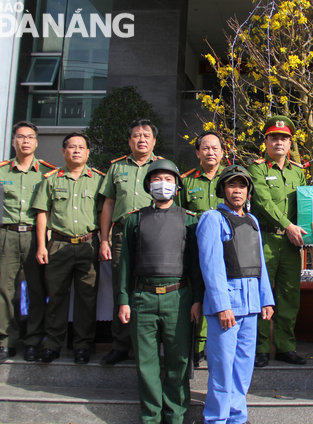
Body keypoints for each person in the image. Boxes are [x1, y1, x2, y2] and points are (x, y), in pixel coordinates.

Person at [117, 159, 204, 424]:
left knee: (178, 363)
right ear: (148, 185)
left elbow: (195, 266)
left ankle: (175, 416)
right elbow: (125, 264)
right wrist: (123, 300)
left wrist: (198, 300)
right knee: (146, 365)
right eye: (157, 179)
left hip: (178, 298)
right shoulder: (134, 220)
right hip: (142, 298)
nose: (162, 184)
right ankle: (151, 417)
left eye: (168, 180)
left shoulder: (190, 221)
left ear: (177, 187)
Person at [197, 165, 275, 424]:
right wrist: (222, 306)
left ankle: (237, 417)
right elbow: (211, 266)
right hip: (227, 307)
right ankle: (216, 419)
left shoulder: (252, 221)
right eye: (232, 185)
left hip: (251, 305)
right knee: (221, 368)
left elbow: (259, 262)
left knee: (243, 366)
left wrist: (266, 299)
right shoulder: (212, 219)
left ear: (248, 191)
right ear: (223, 190)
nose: (237, 190)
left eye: (242, 186)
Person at [32, 133, 104, 364]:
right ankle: (52, 344)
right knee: (56, 297)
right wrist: (42, 246)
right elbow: (42, 213)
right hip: (58, 244)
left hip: (88, 245)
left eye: (81, 147)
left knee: (87, 297)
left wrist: (104, 241)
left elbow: (105, 212)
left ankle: (83, 345)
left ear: (88, 152)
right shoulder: (51, 179)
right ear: (64, 151)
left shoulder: (98, 180)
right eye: (71, 147)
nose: (76, 151)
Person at [0, 121, 56, 362]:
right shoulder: (0, 172)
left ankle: (33, 340)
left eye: (29, 137)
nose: (25, 141)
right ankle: (5, 341)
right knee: (4, 290)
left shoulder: (47, 173)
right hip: (6, 234)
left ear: (36, 142)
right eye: (20, 137)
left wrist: (45, 242)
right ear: (13, 141)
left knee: (37, 290)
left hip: (35, 236)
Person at [98, 118, 164, 366]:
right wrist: (104, 240)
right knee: (122, 287)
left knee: (148, 288)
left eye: (147, 135)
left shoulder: (162, 167)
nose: (142, 139)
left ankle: (145, 345)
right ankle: (120, 344)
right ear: (129, 140)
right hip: (121, 234)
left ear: (154, 141)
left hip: (152, 235)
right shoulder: (116, 168)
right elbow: (108, 205)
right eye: (136, 135)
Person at [248, 115, 307, 367]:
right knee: (262, 294)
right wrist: (288, 225)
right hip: (265, 239)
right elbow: (262, 201)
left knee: (289, 295)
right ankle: (260, 347)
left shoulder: (298, 171)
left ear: (290, 143)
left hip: (292, 244)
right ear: (266, 141)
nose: (279, 142)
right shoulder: (257, 168)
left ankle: (285, 347)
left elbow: (304, 206)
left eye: (284, 138)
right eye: (274, 138)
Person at [176, 130, 226, 366]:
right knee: (197, 293)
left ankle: (216, 345)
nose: (210, 152)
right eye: (205, 148)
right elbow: (178, 216)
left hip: (225, 250)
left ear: (222, 152)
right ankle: (196, 345)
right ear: (197, 152)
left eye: (215, 148)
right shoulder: (187, 181)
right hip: (195, 248)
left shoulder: (231, 179)